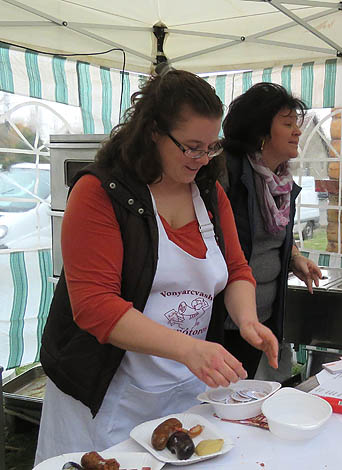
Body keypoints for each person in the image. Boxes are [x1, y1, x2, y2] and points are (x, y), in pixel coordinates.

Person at [35, 70, 280, 462]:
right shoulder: (100, 193)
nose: (202, 159)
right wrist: (189, 349)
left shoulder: (209, 194)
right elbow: (94, 306)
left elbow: (236, 271)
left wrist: (247, 320)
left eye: (211, 147)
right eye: (191, 147)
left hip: (183, 389)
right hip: (105, 391)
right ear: (152, 132)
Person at [221, 82, 323, 381]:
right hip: (224, 321)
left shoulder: (281, 181)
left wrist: (294, 258)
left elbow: (274, 235)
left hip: (262, 314)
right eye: (288, 124)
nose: (298, 132)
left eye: (297, 124)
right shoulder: (228, 173)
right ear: (261, 133)